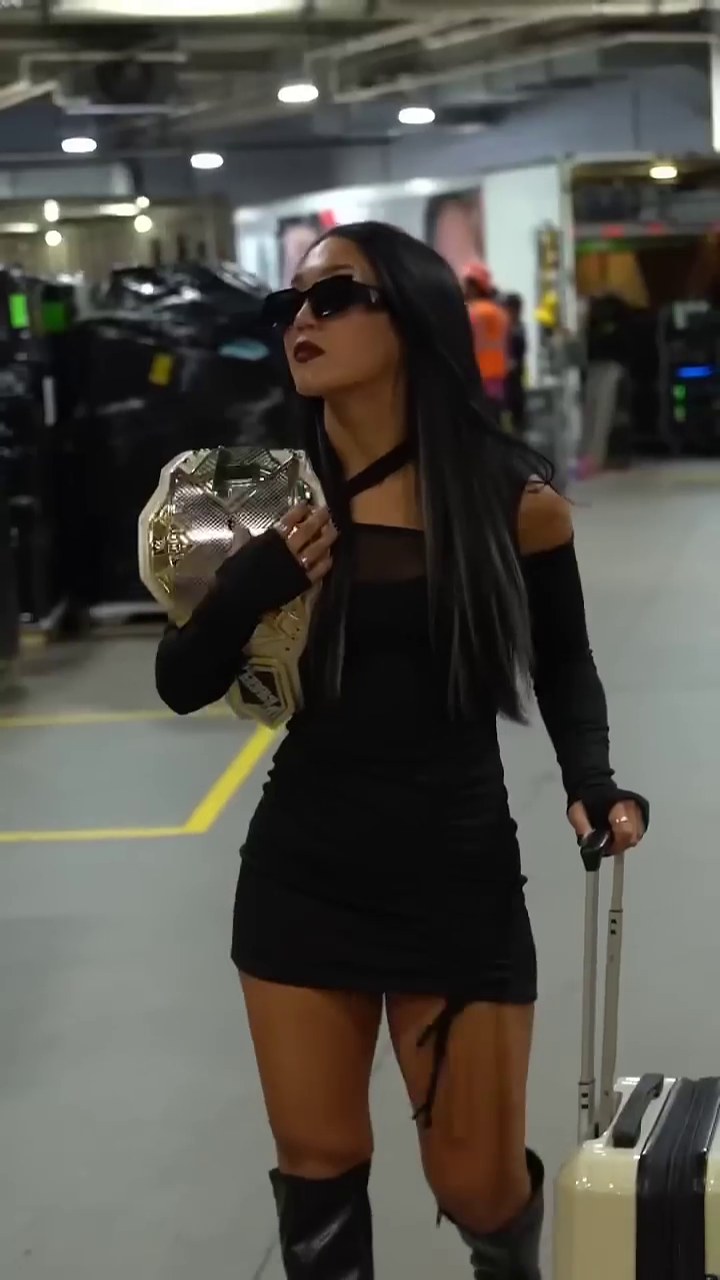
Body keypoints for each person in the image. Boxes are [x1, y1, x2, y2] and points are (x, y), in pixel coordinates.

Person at [154, 221, 649, 1279]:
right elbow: (180, 680)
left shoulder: (508, 500)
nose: (302, 320)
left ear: (414, 318)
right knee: (320, 1169)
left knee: (477, 1182)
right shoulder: (257, 494)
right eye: (290, 304)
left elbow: (565, 661)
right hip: (303, 874)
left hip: (456, 877)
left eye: (335, 297)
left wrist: (591, 778)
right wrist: (248, 588)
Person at [463, 262, 510, 406]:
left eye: (466, 285)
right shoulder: (501, 314)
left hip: (475, 381)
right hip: (497, 382)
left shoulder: (469, 312)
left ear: (474, 287)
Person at [505, 293, 528, 435]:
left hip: (515, 379)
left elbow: (520, 351)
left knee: (517, 415)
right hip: (506, 379)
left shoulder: (518, 328)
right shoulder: (508, 327)